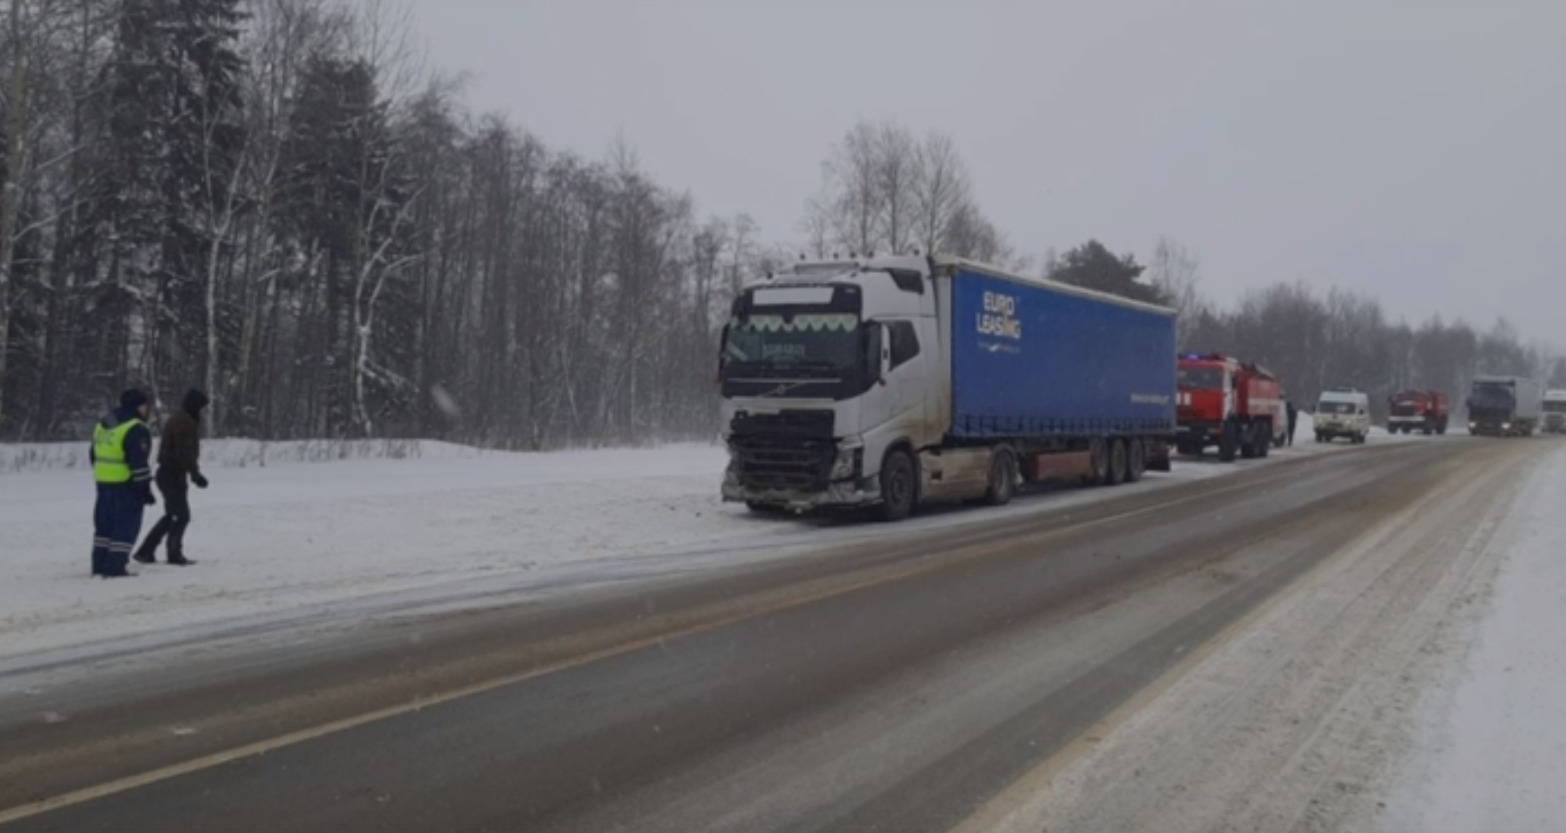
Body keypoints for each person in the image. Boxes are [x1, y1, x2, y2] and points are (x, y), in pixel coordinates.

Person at [135, 389, 210, 566]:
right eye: (202, 408)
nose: (204, 412)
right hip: (172, 474)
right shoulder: (184, 422)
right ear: (195, 406)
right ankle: (172, 553)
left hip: (171, 473)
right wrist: (196, 474)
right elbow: (184, 452)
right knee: (180, 515)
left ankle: (146, 551)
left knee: (173, 514)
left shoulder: (183, 419)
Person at [91, 389, 155, 578]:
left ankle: (99, 563)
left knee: (104, 527)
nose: (146, 409)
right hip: (126, 484)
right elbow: (138, 460)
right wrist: (145, 487)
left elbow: (92, 454)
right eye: (145, 405)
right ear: (139, 406)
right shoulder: (135, 428)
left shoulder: (104, 424)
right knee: (125, 526)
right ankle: (115, 566)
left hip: (103, 483)